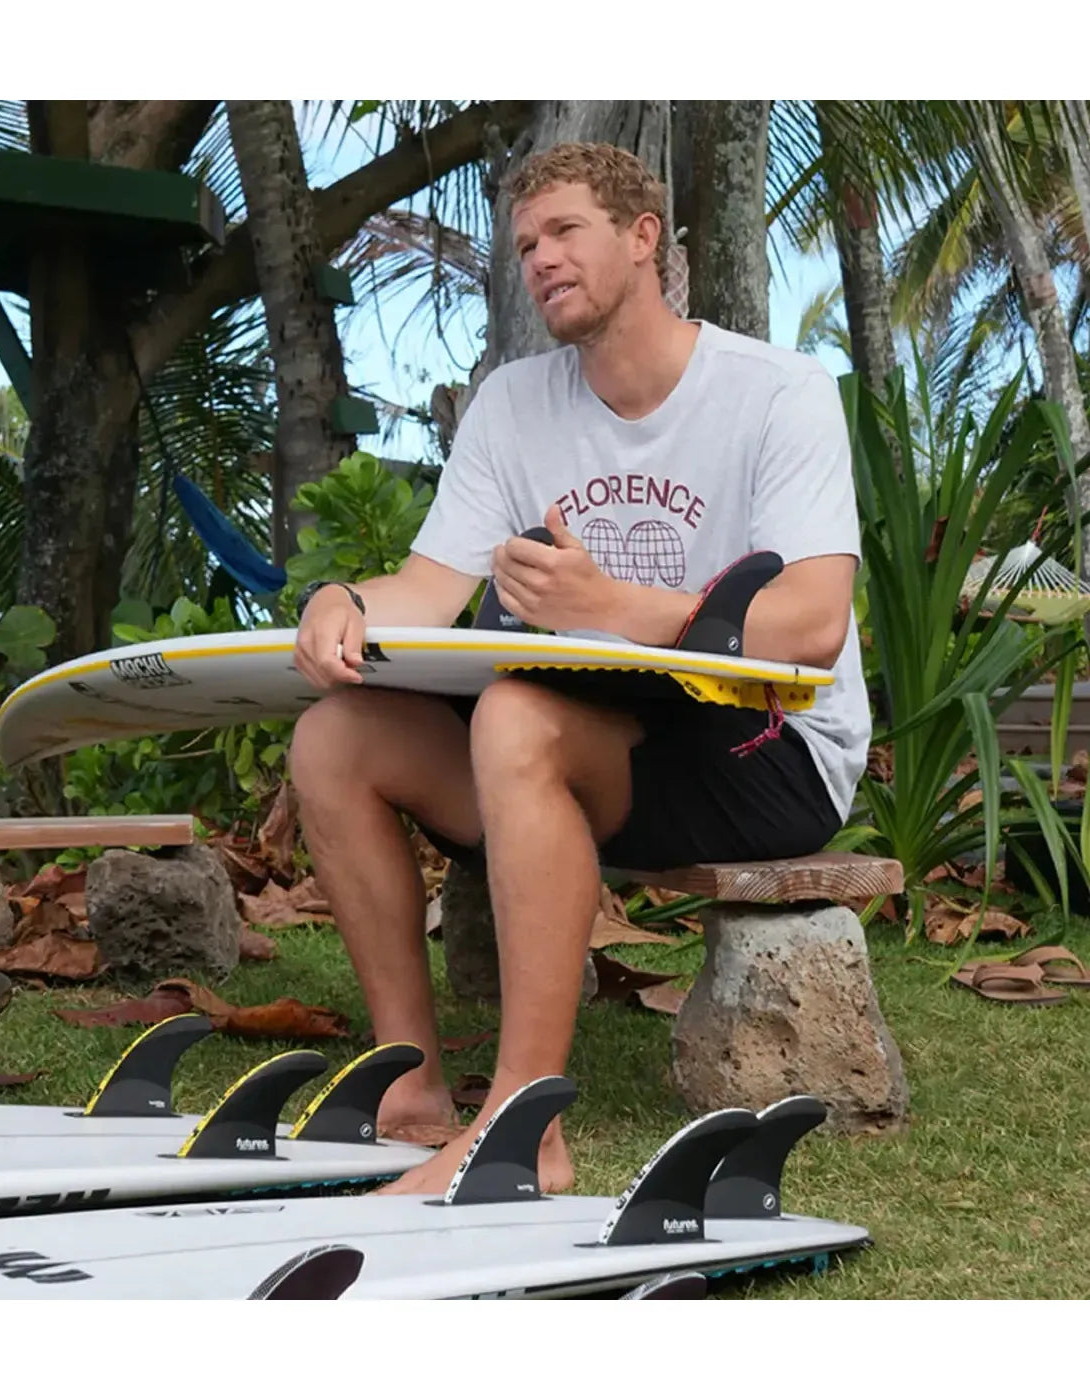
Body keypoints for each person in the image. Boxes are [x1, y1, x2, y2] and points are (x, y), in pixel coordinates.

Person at [286, 141, 870, 1196]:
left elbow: (812, 625)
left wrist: (612, 608)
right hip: (599, 748)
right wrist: (343, 602)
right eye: (524, 246)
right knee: (336, 738)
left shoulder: (777, 391)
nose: (539, 259)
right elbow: (427, 586)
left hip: (772, 750)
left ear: (643, 238)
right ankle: (412, 1086)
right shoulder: (513, 403)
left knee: (515, 715)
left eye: (563, 231)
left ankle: (524, 1130)